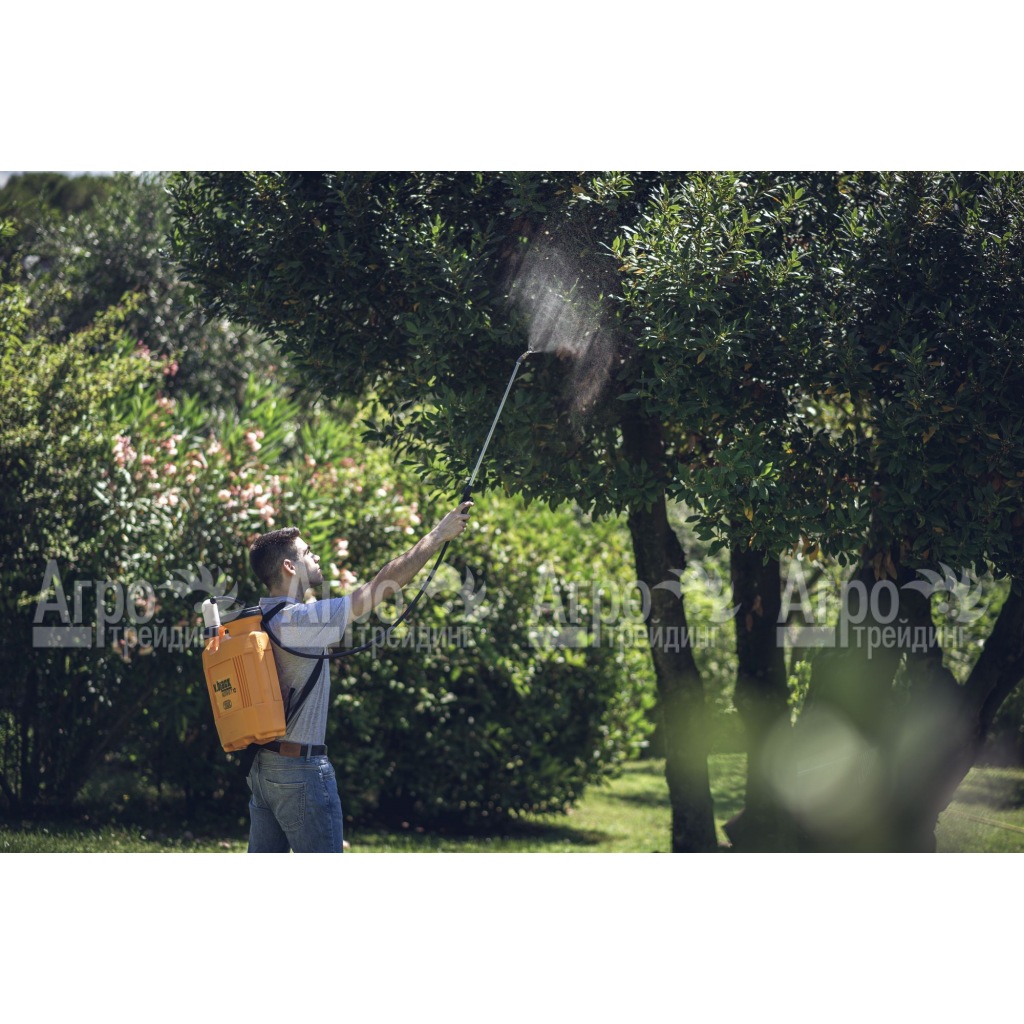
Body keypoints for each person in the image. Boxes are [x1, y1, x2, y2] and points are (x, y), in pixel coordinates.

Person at [244, 500, 473, 853]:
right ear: (289, 567)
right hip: (299, 772)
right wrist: (438, 535)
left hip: (263, 768)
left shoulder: (258, 618)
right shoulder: (301, 621)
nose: (315, 557)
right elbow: (381, 586)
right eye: (307, 552)